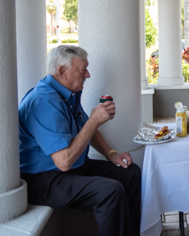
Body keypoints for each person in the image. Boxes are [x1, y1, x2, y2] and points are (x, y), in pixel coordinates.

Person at [19, 45, 141, 236]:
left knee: (131, 173)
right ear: (62, 71)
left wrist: (112, 154)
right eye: (83, 70)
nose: (88, 75)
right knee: (110, 191)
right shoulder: (44, 102)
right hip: (44, 179)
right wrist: (94, 121)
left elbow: (85, 127)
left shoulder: (65, 94)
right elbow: (64, 161)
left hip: (70, 168)